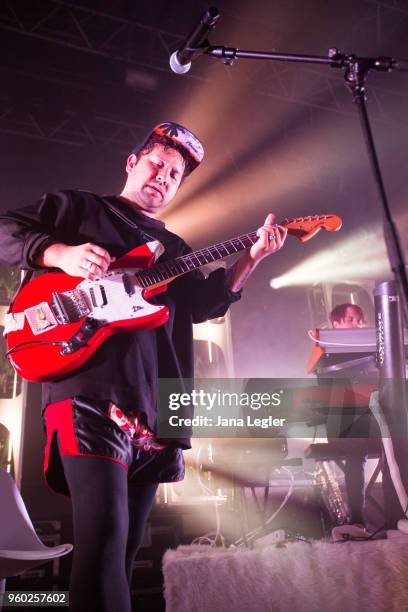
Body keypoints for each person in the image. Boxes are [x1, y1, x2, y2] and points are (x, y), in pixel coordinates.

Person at [0, 122, 287, 611]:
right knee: (104, 544)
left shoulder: (172, 249)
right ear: (132, 163)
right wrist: (61, 253)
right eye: (157, 164)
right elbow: (5, 232)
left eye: (175, 175)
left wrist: (250, 260)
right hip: (90, 393)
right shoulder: (80, 208)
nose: (163, 177)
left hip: (155, 408)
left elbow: (199, 305)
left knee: (125, 553)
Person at [327, 302, 373, 540]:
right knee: (357, 453)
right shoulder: (326, 351)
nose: (358, 324)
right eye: (352, 319)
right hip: (345, 425)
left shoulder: (373, 349)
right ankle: (357, 520)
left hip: (374, 422)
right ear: (336, 325)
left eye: (360, 319)